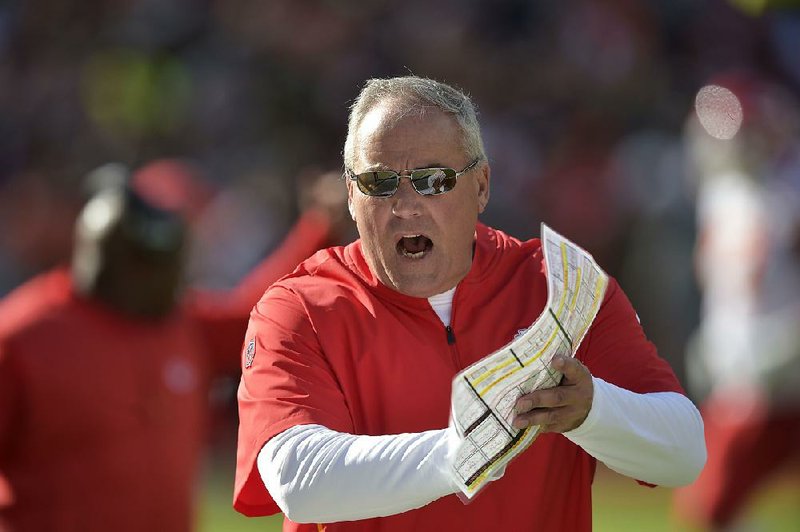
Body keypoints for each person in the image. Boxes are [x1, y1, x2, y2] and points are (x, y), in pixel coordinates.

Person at [234, 76, 707, 532]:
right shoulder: (298, 307)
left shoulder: (559, 287)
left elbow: (684, 453)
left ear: (481, 186)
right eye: (379, 181)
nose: (406, 205)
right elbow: (297, 478)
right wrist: (466, 450)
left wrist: (591, 411)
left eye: (434, 180)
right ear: (351, 195)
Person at [0, 160, 349, 532]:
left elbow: (260, 311)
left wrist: (320, 229)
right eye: (138, 261)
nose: (148, 277)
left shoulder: (183, 325)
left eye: (159, 264)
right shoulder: (23, 338)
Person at [673, 76, 800, 530]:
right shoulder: (720, 197)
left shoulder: (787, 196)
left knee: (710, 504)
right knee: (714, 506)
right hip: (739, 372)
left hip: (780, 372)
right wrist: (715, 343)